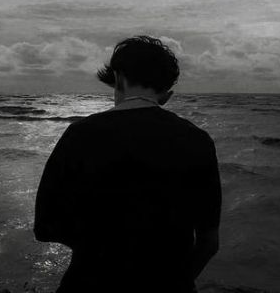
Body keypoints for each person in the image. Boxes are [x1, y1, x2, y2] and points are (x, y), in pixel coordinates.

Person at [34, 35, 221, 293]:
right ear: (166, 95)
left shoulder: (80, 134)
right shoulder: (198, 141)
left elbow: (45, 227)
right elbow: (209, 243)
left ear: (119, 79)